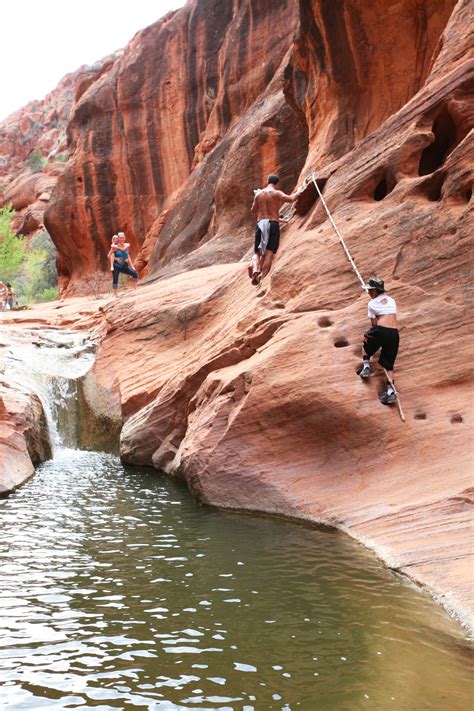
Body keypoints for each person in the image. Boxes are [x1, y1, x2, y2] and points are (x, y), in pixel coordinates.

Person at [250, 175, 297, 285]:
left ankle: (256, 270)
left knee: (257, 252)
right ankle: (262, 279)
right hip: (273, 223)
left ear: (267, 181)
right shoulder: (277, 193)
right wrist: (300, 190)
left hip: (261, 223)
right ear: (276, 183)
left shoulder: (258, 195)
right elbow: (291, 199)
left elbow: (253, 211)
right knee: (269, 253)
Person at [359, 276, 399, 404]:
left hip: (381, 329)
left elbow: (374, 325)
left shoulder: (371, 304)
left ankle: (366, 367)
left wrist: (376, 338)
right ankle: (390, 392)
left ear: (376, 291)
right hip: (394, 333)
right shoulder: (392, 300)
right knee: (389, 365)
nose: (369, 293)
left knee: (365, 345)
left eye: (370, 290)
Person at [111, 232, 138, 297]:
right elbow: (109, 255)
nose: (122, 239)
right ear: (118, 239)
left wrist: (132, 266)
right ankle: (115, 295)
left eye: (123, 238)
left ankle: (135, 289)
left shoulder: (126, 246)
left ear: (125, 238)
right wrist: (116, 259)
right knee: (115, 279)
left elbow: (128, 255)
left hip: (124, 266)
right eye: (120, 238)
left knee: (135, 274)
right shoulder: (115, 246)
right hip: (116, 266)